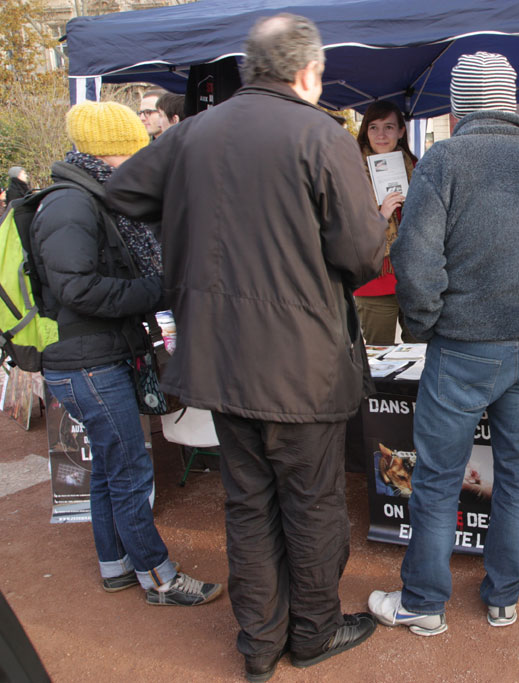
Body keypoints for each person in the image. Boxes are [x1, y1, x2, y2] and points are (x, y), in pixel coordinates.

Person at [106, 13, 386, 682]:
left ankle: (260, 643)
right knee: (311, 503)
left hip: (222, 361)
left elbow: (122, 189)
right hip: (301, 367)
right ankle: (312, 633)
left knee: (250, 502)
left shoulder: (195, 132)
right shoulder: (321, 135)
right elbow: (362, 253)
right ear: (307, 72)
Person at [368, 51, 519, 636]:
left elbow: (415, 261)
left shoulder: (445, 160)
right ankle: (503, 597)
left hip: (462, 347)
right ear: (510, 101)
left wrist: (427, 325)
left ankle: (423, 602)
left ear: (462, 104)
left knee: (439, 478)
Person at [31, 101, 223, 609]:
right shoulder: (72, 203)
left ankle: (114, 564)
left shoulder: (87, 198)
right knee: (131, 466)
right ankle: (158, 576)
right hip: (86, 361)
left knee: (114, 462)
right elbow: (76, 289)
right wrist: (155, 291)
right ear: (112, 153)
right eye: (134, 152)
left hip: (91, 356)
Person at [353, 100, 418, 345]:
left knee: (421, 356)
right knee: (379, 359)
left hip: (414, 279)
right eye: (373, 127)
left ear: (401, 132)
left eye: (389, 127)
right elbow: (344, 226)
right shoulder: (351, 172)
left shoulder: (417, 168)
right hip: (374, 278)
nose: (381, 135)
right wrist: (380, 216)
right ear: (365, 132)